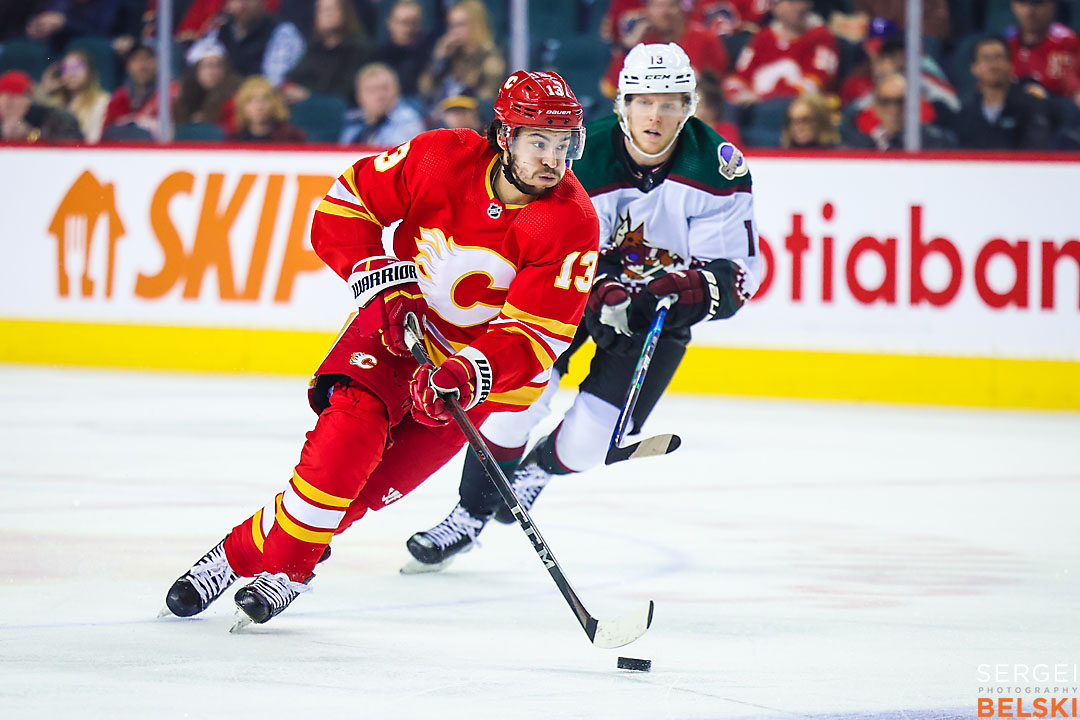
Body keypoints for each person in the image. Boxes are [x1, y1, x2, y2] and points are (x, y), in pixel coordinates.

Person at [163, 70, 599, 627]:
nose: (553, 160)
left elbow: (537, 334)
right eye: (539, 142)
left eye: (564, 145)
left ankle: (233, 557)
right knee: (344, 446)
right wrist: (386, 284)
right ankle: (288, 570)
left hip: (469, 381)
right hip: (392, 331)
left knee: (360, 494)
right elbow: (343, 206)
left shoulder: (572, 221)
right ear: (503, 136)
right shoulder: (440, 157)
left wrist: (468, 373)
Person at [403, 43, 762, 572]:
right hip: (561, 301)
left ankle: (539, 468)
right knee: (509, 410)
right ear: (623, 104)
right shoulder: (576, 153)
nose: (655, 116)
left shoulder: (718, 170)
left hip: (649, 320)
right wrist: (598, 289)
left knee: (591, 445)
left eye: (669, 103)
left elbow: (734, 277)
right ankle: (469, 516)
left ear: (689, 107)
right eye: (644, 102)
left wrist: (679, 291)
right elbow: (528, 239)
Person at [601, 0, 728, 98]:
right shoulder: (642, 43)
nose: (665, 12)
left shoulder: (705, 39)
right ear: (647, 11)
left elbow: (716, 89)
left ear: (681, 9)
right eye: (658, 6)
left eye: (671, 5)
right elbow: (612, 87)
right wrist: (629, 47)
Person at [724, 0, 839, 107]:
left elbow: (815, 84)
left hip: (800, 109)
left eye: (804, 1)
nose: (800, 7)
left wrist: (763, 98)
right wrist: (735, 95)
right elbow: (740, 77)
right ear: (775, 7)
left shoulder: (821, 37)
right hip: (756, 106)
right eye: (792, 2)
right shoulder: (763, 37)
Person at [954, 35, 1054, 150]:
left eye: (998, 57)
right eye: (986, 58)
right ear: (975, 68)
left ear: (1010, 65)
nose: (993, 65)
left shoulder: (1031, 105)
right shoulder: (967, 113)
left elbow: (1036, 149)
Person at [185, 0, 305, 87]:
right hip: (221, 102)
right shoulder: (219, 28)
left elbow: (274, 82)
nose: (241, 5)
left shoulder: (282, 31)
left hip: (259, 105)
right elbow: (194, 62)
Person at [282, 0, 372, 105]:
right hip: (305, 110)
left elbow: (346, 91)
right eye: (322, 10)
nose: (328, 14)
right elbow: (293, 78)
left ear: (345, 12)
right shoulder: (313, 48)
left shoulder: (360, 48)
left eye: (332, 9)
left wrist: (309, 96)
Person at [419, 0, 506, 105]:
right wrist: (438, 60)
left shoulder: (490, 59)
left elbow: (486, 101)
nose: (454, 31)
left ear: (476, 25)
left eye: (460, 25)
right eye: (451, 26)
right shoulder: (450, 56)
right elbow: (425, 91)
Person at [841, 72, 955, 150]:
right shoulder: (860, 147)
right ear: (875, 106)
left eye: (900, 101)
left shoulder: (938, 143)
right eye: (885, 101)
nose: (894, 109)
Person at [103, 43, 178, 140]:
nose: (142, 66)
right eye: (136, 60)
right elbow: (106, 132)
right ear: (128, 65)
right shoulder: (120, 96)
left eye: (148, 58)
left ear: (159, 62)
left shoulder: (170, 93)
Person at [1006, 0, 1079, 98]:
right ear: (1013, 5)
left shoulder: (1069, 43)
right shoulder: (1005, 44)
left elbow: (1076, 93)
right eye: (1022, 3)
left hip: (1058, 109)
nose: (1029, 11)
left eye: (1038, 3)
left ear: (1053, 5)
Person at [339, 63, 425, 146]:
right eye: (371, 90)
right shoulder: (352, 121)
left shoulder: (409, 121)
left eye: (385, 89)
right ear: (359, 96)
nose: (379, 96)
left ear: (397, 91)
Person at [38, 48, 110, 143]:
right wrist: (46, 90)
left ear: (90, 72)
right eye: (65, 69)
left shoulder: (102, 101)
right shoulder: (56, 102)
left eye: (76, 68)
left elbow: (94, 140)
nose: (70, 73)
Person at [370, 0, 438, 100]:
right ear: (390, 23)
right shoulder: (377, 57)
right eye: (403, 22)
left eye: (414, 23)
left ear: (420, 25)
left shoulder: (430, 54)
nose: (408, 29)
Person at [0, 69, 82, 142]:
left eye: (14, 97)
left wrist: (31, 135)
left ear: (30, 99)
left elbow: (74, 148)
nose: (8, 103)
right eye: (4, 97)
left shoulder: (57, 119)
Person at [175, 41, 243, 129]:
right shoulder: (185, 97)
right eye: (207, 66)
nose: (212, 72)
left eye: (218, 65)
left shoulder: (234, 96)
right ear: (195, 70)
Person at [227, 75, 306, 142]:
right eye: (251, 100)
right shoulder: (233, 140)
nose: (259, 107)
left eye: (265, 100)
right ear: (242, 106)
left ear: (275, 104)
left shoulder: (292, 137)